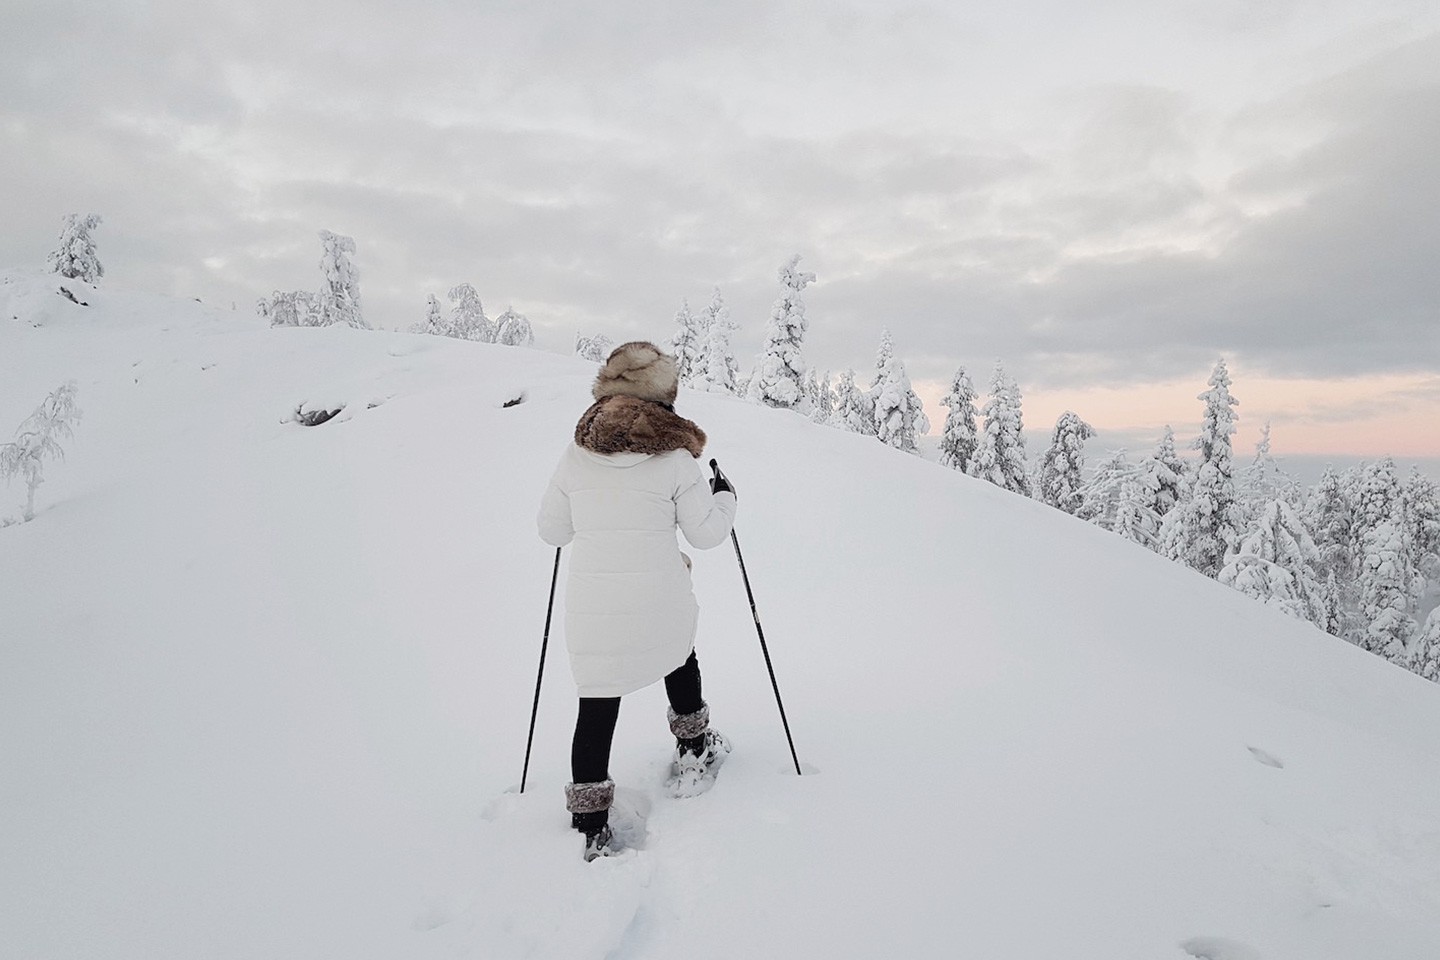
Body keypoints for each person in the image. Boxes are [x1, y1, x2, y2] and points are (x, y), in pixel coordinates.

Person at [536, 341, 738, 861]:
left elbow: (552, 531)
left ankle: (589, 821)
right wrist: (725, 497)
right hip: (659, 593)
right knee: (677, 655)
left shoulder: (575, 454)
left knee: (598, 700)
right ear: (662, 398)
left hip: (593, 603)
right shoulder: (674, 459)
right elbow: (707, 535)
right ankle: (695, 751)